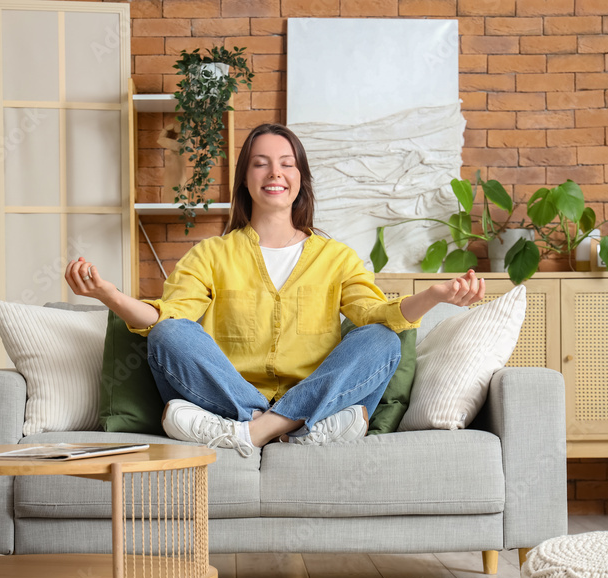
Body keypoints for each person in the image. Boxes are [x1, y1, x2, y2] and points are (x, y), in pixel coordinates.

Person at [65, 123, 485, 456]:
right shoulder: (211, 253)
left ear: (300, 177)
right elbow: (167, 316)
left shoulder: (336, 257)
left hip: (304, 394)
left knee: (381, 339)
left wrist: (435, 295)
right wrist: (109, 295)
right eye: (260, 163)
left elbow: (375, 314)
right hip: (230, 396)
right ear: (245, 179)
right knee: (170, 334)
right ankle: (300, 429)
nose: (275, 173)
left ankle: (255, 432)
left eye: (286, 163)